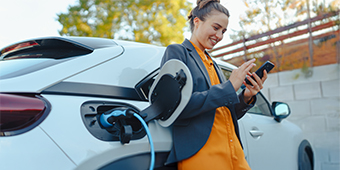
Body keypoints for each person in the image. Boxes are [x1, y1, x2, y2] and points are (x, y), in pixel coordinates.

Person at [160, 0, 268, 169]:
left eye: (223, 31)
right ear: (197, 21)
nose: (220, 36)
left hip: (234, 152)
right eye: (216, 28)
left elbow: (224, 112)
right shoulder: (177, 52)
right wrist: (229, 87)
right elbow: (176, 106)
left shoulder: (213, 64)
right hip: (202, 153)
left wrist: (246, 96)